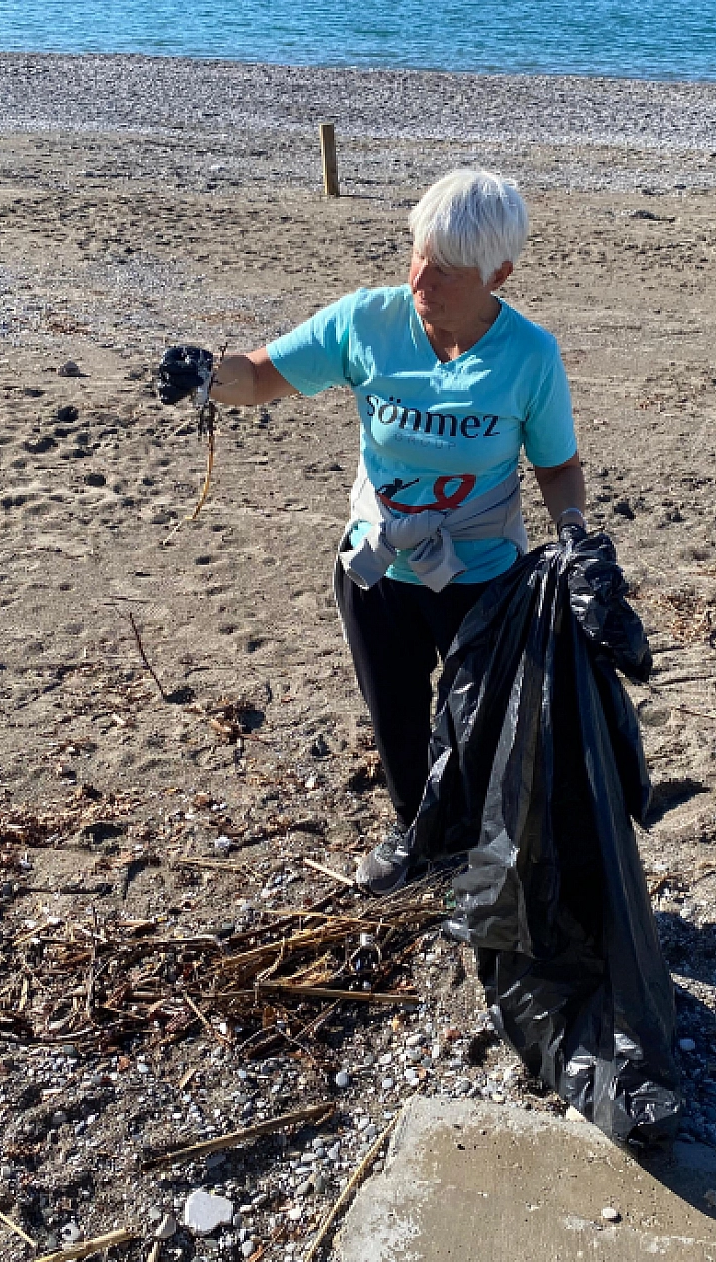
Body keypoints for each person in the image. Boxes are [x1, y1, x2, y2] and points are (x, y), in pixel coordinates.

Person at [158, 168, 588, 892]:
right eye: (418, 253)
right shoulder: (367, 323)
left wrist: (575, 535)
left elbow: (558, 469)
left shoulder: (530, 357)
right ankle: (415, 836)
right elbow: (261, 377)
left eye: (447, 269)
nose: (422, 278)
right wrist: (205, 374)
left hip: (484, 577)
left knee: (480, 725)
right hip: (378, 569)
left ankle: (484, 849)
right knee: (397, 721)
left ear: (499, 273)